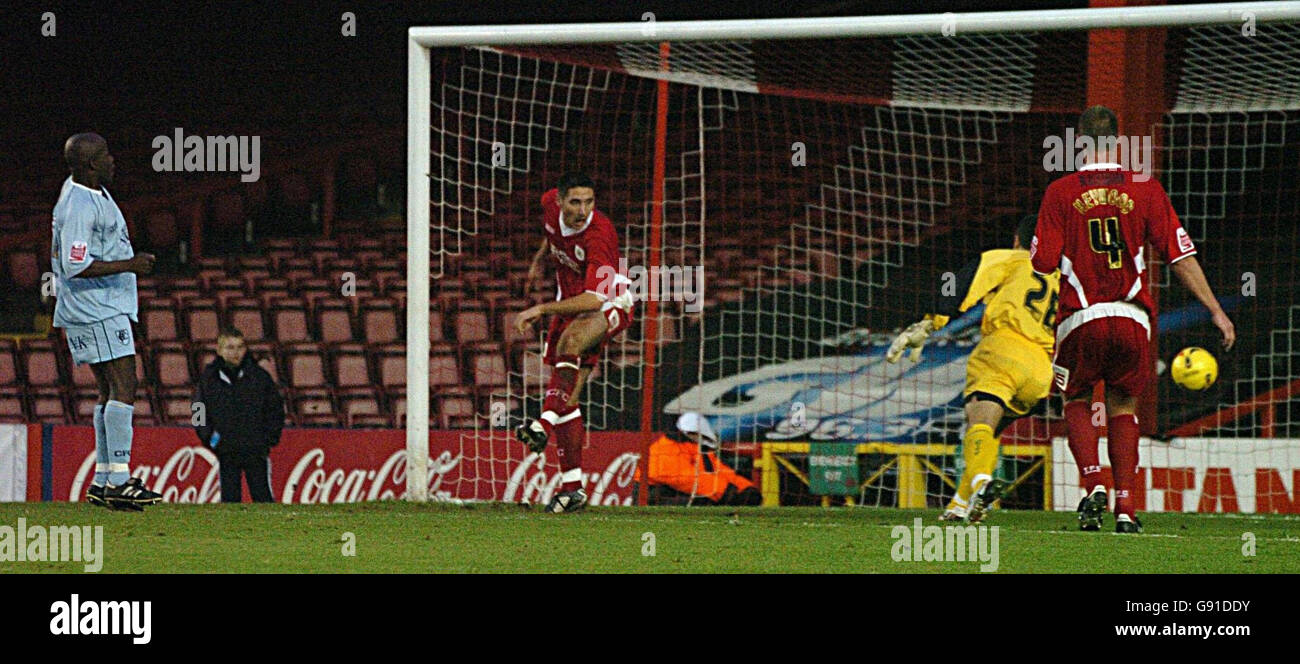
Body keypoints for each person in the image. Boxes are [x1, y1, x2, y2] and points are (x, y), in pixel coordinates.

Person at [1031, 106, 1235, 533]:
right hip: (1133, 318)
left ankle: (1093, 484)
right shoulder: (1145, 188)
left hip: (1080, 317)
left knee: (1076, 399)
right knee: (1124, 405)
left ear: (1079, 144)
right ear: (1119, 143)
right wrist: (1215, 309)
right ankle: (1126, 509)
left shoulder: (1060, 191)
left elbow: (1044, 263)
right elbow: (1180, 255)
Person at [888, 214, 1059, 523]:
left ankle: (982, 482)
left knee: (978, 417)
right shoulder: (1060, 278)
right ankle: (959, 504)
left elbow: (965, 281)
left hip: (1004, 349)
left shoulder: (1013, 259)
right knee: (987, 431)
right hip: (1041, 369)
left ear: (1019, 240)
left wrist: (932, 322)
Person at [513, 172, 636, 513]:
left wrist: (541, 307)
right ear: (560, 201)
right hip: (572, 301)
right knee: (568, 395)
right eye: (576, 202)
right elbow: (553, 235)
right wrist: (541, 259)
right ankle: (572, 489)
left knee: (572, 341)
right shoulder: (549, 206)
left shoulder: (600, 236)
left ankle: (542, 424)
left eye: (590, 202)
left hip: (611, 302)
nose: (583, 210)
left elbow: (595, 301)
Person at [52, 133, 162, 511]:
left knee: (107, 390)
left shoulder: (90, 192)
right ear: (89, 165)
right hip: (95, 306)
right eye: (105, 155)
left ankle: (103, 478)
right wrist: (130, 265)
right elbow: (75, 264)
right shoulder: (80, 204)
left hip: (97, 305)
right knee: (124, 385)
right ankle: (118, 479)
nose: (113, 160)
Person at [192, 327, 284, 503]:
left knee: (263, 498)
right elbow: (198, 409)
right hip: (226, 449)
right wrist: (210, 439)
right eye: (230, 347)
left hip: (255, 448)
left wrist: (269, 438)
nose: (236, 352)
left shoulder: (260, 377)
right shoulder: (208, 379)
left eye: (240, 347)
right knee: (230, 501)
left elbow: (276, 409)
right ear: (219, 350)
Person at [637, 412, 761, 506]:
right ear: (690, 433)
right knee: (707, 502)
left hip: (677, 493)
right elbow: (687, 478)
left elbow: (716, 470)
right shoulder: (665, 449)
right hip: (653, 496)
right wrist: (727, 492)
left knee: (710, 501)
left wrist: (745, 487)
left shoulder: (694, 447)